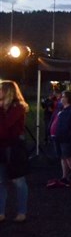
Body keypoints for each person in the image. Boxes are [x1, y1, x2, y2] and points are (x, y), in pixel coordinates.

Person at [0, 81, 30, 223]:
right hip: (2, 147)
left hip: (14, 148)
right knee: (1, 181)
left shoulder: (18, 107)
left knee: (18, 181)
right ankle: (1, 212)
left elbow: (5, 126)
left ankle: (22, 211)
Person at [47, 90, 71, 187]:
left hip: (66, 138)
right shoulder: (60, 109)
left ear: (68, 98)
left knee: (69, 157)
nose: (61, 98)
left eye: (63, 96)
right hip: (57, 137)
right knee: (63, 157)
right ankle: (64, 176)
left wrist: (69, 134)